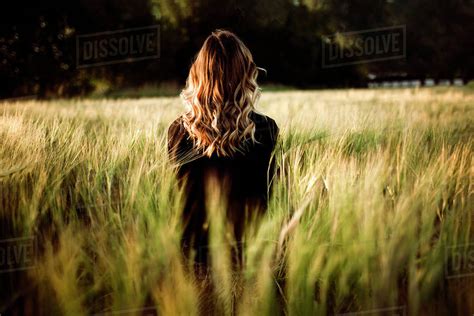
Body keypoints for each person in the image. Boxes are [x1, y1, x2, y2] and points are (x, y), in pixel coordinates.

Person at [167, 29, 279, 271]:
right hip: (248, 255)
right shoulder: (266, 129)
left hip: (194, 256)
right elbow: (271, 196)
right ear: (246, 75)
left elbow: (177, 199)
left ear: (198, 74)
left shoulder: (177, 131)